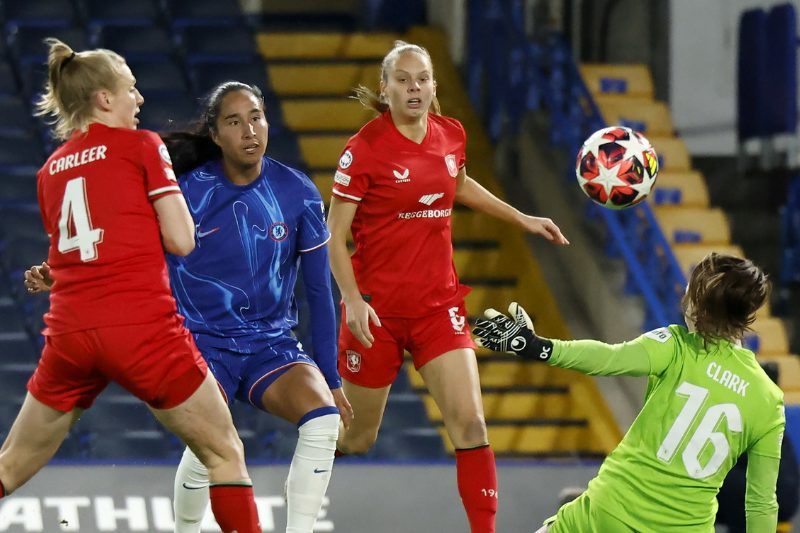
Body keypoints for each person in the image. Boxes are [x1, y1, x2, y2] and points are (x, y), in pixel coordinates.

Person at [15, 39, 260, 532]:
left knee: (9, 463)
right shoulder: (142, 145)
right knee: (224, 452)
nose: (140, 99)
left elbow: (83, 247)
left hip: (71, 334)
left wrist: (53, 271)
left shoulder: (48, 173)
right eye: (130, 89)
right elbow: (181, 239)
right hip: (141, 330)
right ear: (104, 99)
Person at [326, 40, 569, 533]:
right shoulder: (363, 150)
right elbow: (333, 237)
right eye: (403, 80)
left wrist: (522, 217)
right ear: (385, 88)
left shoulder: (450, 134)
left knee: (472, 424)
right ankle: (305, 459)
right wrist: (351, 298)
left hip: (439, 307)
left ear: (434, 86)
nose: (414, 88)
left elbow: (457, 183)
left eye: (422, 79)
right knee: (356, 440)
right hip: (377, 313)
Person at [472, 252, 785, 532]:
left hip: (609, 513)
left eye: (690, 290)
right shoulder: (768, 399)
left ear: (700, 304)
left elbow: (607, 359)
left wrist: (538, 346)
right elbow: (761, 502)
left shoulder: (677, 345)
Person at [159, 81, 352, 533]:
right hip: (201, 345)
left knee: (323, 421)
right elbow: (132, 248)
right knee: (210, 445)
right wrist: (61, 269)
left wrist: (330, 375)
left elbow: (320, 293)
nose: (250, 130)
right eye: (234, 121)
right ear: (215, 134)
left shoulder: (297, 191)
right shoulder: (186, 192)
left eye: (257, 117)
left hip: (270, 345)